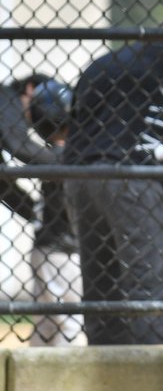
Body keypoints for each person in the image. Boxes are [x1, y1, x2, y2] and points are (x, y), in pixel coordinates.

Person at [63, 42, 163, 345]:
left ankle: (107, 371)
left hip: (77, 175)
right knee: (148, 278)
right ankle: (147, 371)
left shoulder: (97, 66)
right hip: (132, 173)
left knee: (101, 284)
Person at [0, 75, 84, 345]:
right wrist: (68, 164)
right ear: (30, 89)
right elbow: (18, 145)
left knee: (49, 326)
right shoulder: (5, 97)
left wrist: (36, 212)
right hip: (56, 249)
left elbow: (2, 184)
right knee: (66, 325)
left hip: (50, 245)